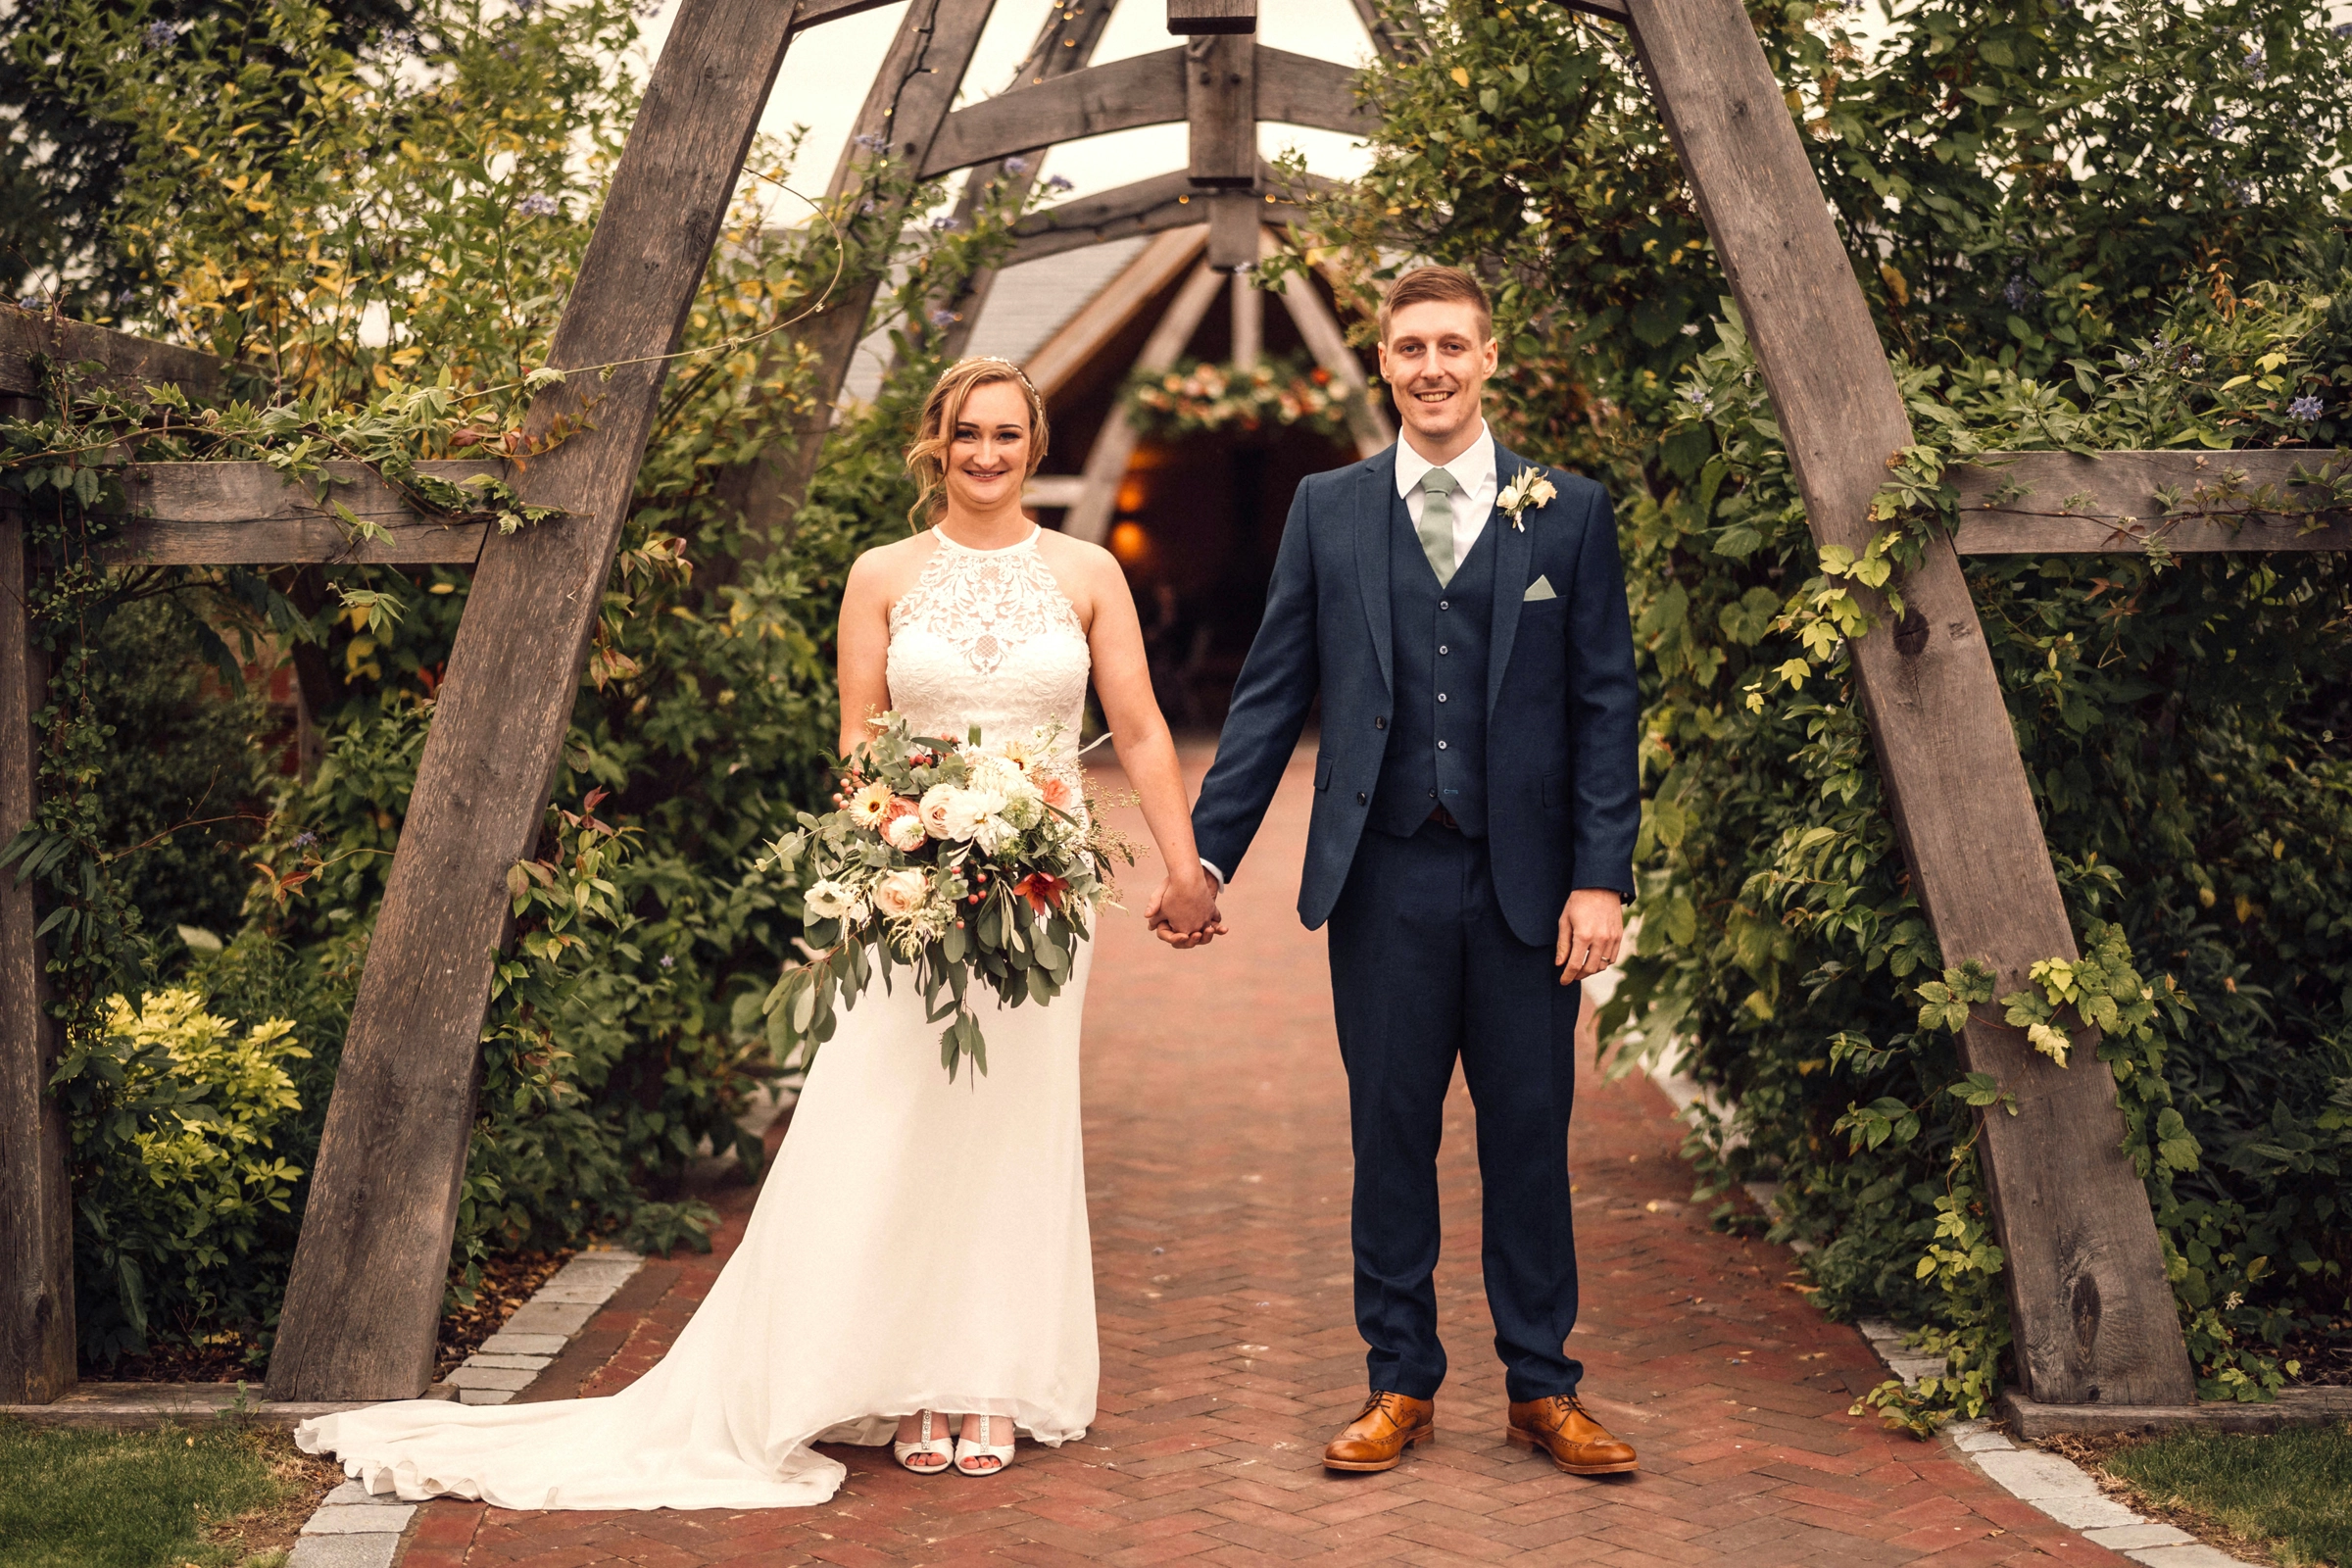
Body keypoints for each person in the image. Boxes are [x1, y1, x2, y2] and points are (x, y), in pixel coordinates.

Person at [295, 357, 1222, 1508]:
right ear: (935, 443)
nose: (988, 454)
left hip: (1043, 897)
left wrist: (1183, 869)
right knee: (891, 1117)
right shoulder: (882, 572)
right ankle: (907, 1377)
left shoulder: (1086, 571)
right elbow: (858, 741)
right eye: (967, 434)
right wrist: (897, 854)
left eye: (1008, 435)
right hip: (910, 889)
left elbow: (1135, 730)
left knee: (1011, 1121)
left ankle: (984, 1374)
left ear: (1035, 446)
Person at [1156, 265, 1642, 1477]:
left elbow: (1604, 706)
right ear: (1383, 363)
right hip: (1382, 881)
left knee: (1530, 1135)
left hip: (1530, 889)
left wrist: (1603, 876)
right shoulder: (1328, 507)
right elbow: (1270, 697)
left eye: (1452, 347)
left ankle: (1544, 1386)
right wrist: (1208, 856)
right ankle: (1399, 1382)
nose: (1431, 367)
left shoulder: (1567, 511)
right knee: (1391, 1135)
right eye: (1410, 347)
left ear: (1489, 359)